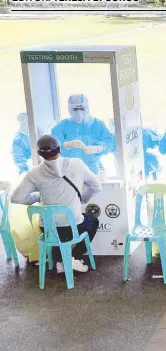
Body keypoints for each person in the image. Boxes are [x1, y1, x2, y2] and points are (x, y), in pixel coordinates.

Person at [11, 135, 101, 273]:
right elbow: (96, 186)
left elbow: (16, 198)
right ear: (59, 149)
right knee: (92, 220)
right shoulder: (77, 163)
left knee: (54, 228)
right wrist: (82, 199)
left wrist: (36, 197)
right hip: (73, 226)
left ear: (40, 153)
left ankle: (60, 260)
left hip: (47, 228)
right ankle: (71, 258)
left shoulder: (34, 173)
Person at [51, 94, 115, 175]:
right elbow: (53, 144)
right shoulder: (63, 125)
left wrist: (98, 148)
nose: (79, 112)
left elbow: (109, 143)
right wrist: (66, 145)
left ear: (87, 108)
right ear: (69, 110)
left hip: (92, 169)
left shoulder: (97, 125)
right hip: (69, 170)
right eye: (75, 109)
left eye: (81, 108)